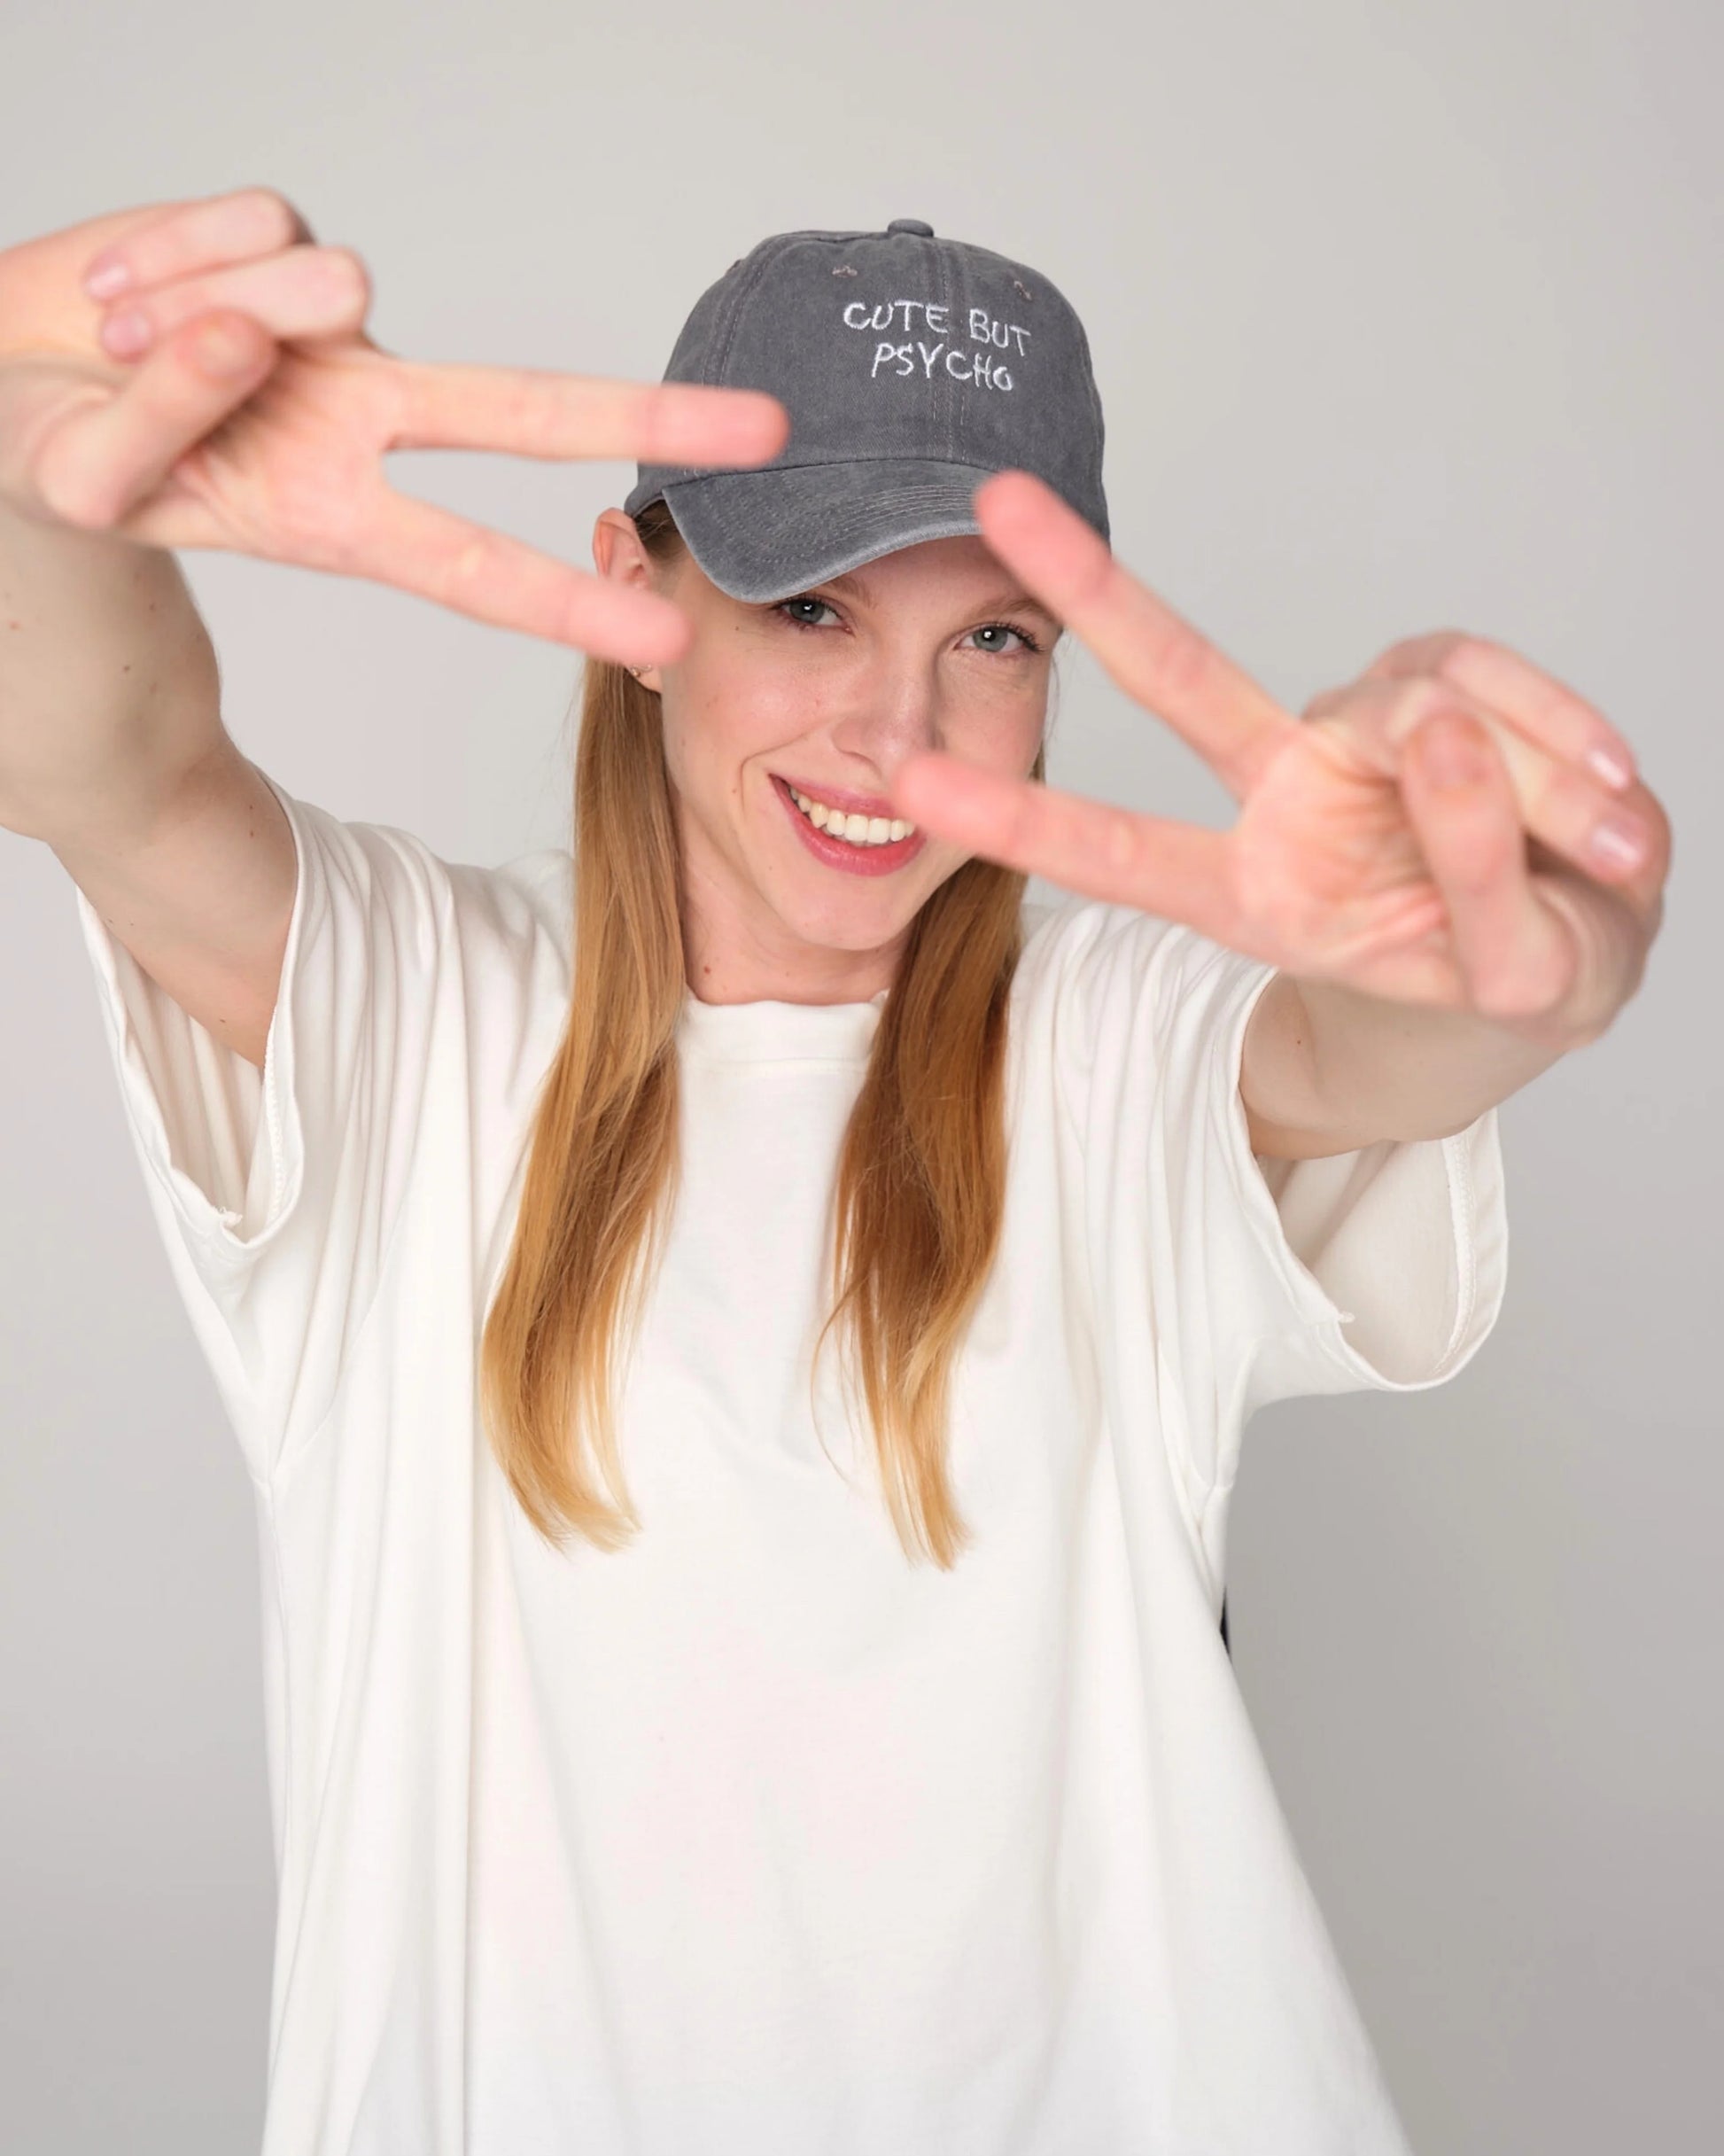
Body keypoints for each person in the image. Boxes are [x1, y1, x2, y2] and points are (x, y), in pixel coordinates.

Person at [0, 191, 1668, 2156]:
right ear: (635, 587)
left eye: (990, 634)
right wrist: (32, 471)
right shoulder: (414, 1020)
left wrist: (1517, 955)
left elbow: (1366, 1044)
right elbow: (104, 753)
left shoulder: (1106, 1041)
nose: (896, 730)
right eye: (811, 608)